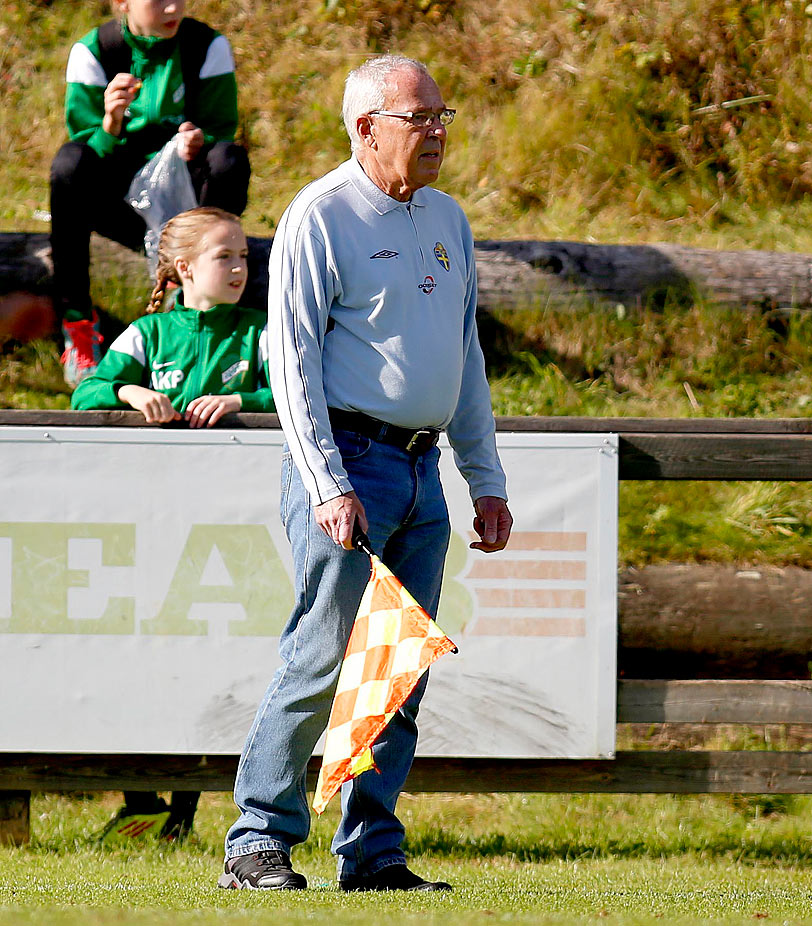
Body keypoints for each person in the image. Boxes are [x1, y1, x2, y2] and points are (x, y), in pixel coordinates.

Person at [220, 54, 512, 893]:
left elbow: (464, 360)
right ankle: (258, 842)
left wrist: (484, 479)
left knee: (398, 670)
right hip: (349, 463)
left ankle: (373, 851)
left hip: (422, 473)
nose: (437, 132)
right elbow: (293, 368)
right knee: (320, 655)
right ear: (365, 127)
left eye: (442, 114)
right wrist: (326, 482)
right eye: (419, 118)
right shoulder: (319, 215)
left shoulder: (448, 219)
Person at [52, 0, 250, 387]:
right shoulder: (94, 52)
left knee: (228, 159)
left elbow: (221, 129)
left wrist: (199, 140)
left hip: (187, 201)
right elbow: (83, 146)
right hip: (118, 204)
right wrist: (109, 124)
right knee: (68, 164)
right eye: (158, 0)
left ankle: (202, 300)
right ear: (123, 3)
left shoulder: (207, 46)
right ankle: (77, 323)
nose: (173, 7)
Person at [71, 207, 270, 424]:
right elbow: (84, 396)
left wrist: (240, 402)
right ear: (185, 267)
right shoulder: (147, 332)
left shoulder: (261, 330)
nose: (239, 268)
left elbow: (301, 397)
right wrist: (129, 392)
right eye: (224, 256)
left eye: (243, 256)